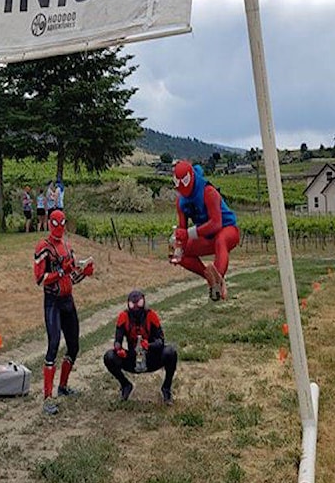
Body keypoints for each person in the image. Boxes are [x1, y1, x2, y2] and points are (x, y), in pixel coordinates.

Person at [33, 209, 95, 415]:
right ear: (51, 224)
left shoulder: (67, 246)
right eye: (56, 224)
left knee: (74, 346)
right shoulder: (44, 247)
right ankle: (47, 397)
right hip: (53, 302)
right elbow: (40, 279)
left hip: (68, 300)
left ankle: (63, 386)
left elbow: (71, 278)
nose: (60, 228)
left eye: (62, 224)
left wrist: (84, 273)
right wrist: (62, 271)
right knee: (53, 345)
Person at [170, 160, 240, 301]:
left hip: (228, 229)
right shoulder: (180, 201)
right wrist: (177, 247)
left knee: (221, 241)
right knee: (180, 255)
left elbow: (216, 224)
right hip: (205, 236)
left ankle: (218, 278)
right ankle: (212, 279)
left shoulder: (208, 192)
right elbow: (182, 228)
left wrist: (188, 233)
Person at [103, 290, 178, 405]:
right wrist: (119, 350)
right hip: (133, 358)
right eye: (133, 304)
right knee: (109, 356)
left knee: (171, 352)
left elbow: (161, 341)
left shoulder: (151, 315)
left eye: (139, 303)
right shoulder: (123, 316)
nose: (136, 307)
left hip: (152, 357)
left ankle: (166, 389)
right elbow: (117, 340)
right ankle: (125, 385)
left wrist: (149, 346)